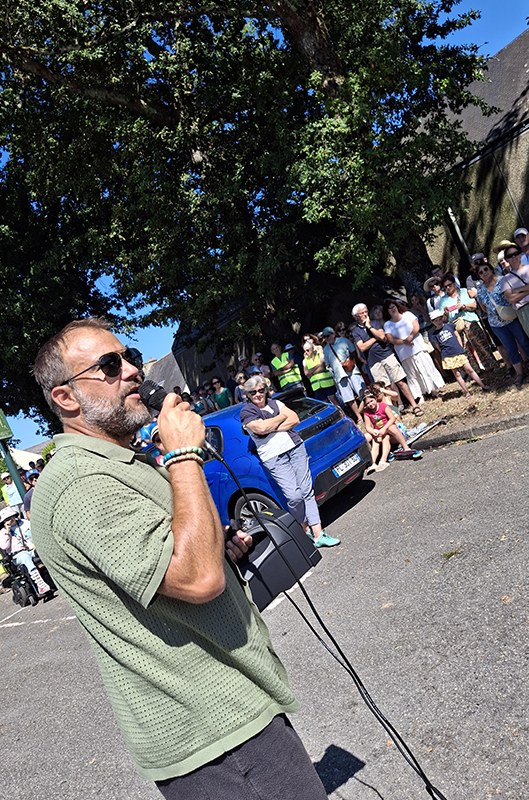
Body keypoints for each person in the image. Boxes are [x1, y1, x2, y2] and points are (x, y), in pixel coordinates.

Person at [30, 317, 328, 799]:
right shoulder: (80, 484)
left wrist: (216, 543)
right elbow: (196, 579)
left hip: (231, 708)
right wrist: (184, 453)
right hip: (216, 734)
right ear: (66, 398)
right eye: (109, 365)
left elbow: (180, 557)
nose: (132, 370)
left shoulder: (118, 463)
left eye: (128, 357)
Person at [240, 374, 339, 548]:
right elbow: (261, 428)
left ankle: (318, 534)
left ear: (266, 390)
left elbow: (294, 419)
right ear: (248, 394)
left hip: (295, 447)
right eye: (253, 392)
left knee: (307, 490)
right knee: (294, 496)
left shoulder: (276, 403)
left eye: (261, 390)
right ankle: (304, 528)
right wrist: (280, 418)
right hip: (273, 457)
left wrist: (270, 426)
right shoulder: (247, 412)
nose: (258, 394)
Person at [351, 303, 422, 415]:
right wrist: (375, 338)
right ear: (356, 316)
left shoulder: (375, 323)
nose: (365, 314)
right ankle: (395, 412)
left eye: (366, 311)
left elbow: (382, 337)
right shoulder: (355, 331)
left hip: (386, 355)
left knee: (400, 381)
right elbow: (362, 347)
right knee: (385, 388)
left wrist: (369, 326)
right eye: (362, 313)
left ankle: (414, 405)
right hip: (373, 362)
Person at [476, 259, 529, 388]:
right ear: (479, 276)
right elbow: (484, 309)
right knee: (510, 348)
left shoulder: (503, 281)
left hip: (512, 318)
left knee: (523, 342)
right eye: (480, 272)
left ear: (491, 269)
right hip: (496, 324)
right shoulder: (480, 290)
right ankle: (519, 373)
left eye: (485, 269)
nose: (484, 273)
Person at [382, 299, 445, 404]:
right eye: (389, 309)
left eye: (393, 307)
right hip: (404, 353)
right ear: (387, 311)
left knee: (426, 367)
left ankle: (434, 390)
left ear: (397, 307)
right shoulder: (387, 324)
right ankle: (420, 395)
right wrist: (404, 341)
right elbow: (390, 339)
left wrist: (410, 337)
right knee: (412, 374)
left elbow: (416, 326)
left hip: (418, 347)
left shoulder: (407, 315)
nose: (392, 309)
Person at [439, 273, 496, 372]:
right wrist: (445, 314)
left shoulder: (464, 291)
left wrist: (463, 306)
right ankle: (475, 370)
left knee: (481, 344)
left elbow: (475, 305)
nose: (448, 288)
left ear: (454, 283)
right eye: (445, 287)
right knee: (466, 350)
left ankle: (492, 364)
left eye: (449, 285)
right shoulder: (443, 300)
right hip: (457, 326)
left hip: (470, 321)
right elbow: (443, 319)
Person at [429, 310, 490, 398]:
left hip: (457, 351)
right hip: (448, 355)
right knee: (457, 374)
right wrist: (444, 353)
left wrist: (460, 346)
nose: (438, 322)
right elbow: (438, 346)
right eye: (436, 321)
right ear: (432, 322)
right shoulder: (434, 335)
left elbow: (457, 335)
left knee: (469, 369)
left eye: (440, 319)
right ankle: (467, 392)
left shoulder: (450, 326)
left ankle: (482, 385)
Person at [362, 390, 422, 472]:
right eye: (367, 403)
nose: (370, 404)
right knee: (370, 438)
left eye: (371, 401)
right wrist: (373, 431)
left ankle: (404, 448)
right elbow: (368, 427)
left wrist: (384, 429)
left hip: (390, 432)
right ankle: (373, 462)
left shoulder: (383, 406)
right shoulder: (367, 413)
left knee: (389, 432)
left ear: (375, 398)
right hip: (379, 433)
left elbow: (392, 419)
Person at [0, 506, 51, 595]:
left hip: (31, 549)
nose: (10, 520)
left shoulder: (25, 523)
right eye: (7, 519)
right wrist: (7, 531)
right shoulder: (3, 532)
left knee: (41, 551)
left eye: (11, 517)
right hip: (17, 555)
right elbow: (4, 546)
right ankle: (40, 584)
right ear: (4, 521)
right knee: (24, 556)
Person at [321, 326, 365, 423]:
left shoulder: (343, 341)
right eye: (324, 337)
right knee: (349, 398)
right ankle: (359, 417)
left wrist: (351, 361)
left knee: (361, 392)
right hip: (339, 376)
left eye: (328, 336)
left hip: (352, 371)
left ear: (333, 334)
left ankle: (367, 413)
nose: (326, 339)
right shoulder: (326, 349)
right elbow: (328, 364)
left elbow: (353, 352)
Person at [500, 243, 529, 338]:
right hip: (524, 310)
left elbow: (514, 296)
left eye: (515, 254)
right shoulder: (505, 280)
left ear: (520, 255)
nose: (513, 257)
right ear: (507, 259)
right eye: (510, 256)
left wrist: (519, 290)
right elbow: (511, 299)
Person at [302, 338, 339, 405]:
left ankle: (341, 411)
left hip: (327, 382)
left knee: (333, 400)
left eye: (307, 350)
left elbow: (322, 367)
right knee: (325, 403)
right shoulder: (305, 361)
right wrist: (317, 366)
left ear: (312, 348)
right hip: (316, 386)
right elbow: (306, 373)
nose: (306, 352)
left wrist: (312, 372)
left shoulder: (320, 355)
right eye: (304, 351)